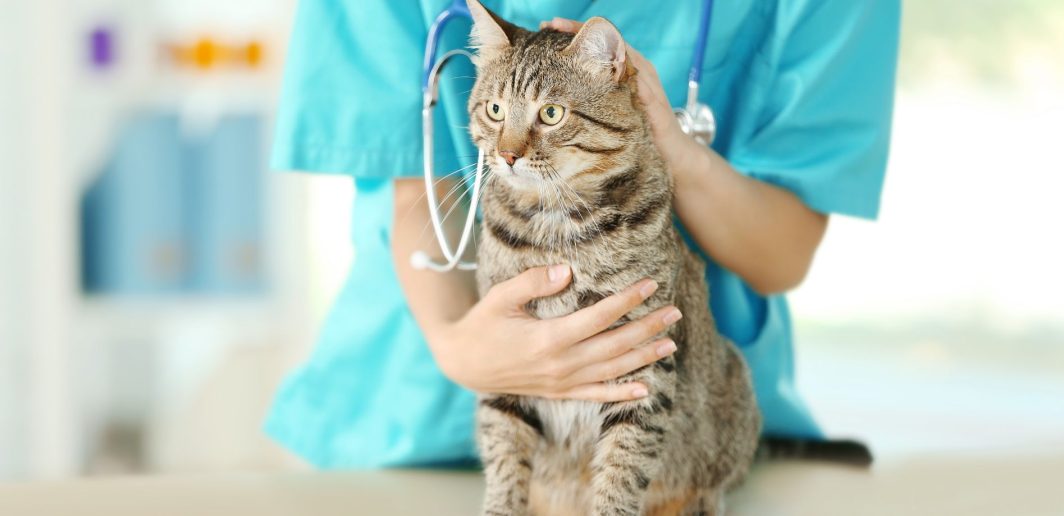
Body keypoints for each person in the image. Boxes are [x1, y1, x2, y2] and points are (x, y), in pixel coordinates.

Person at [265, 0, 900, 468]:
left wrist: (670, 149)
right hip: (412, 423)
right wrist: (458, 348)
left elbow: (784, 251)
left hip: (665, 434)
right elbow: (414, 177)